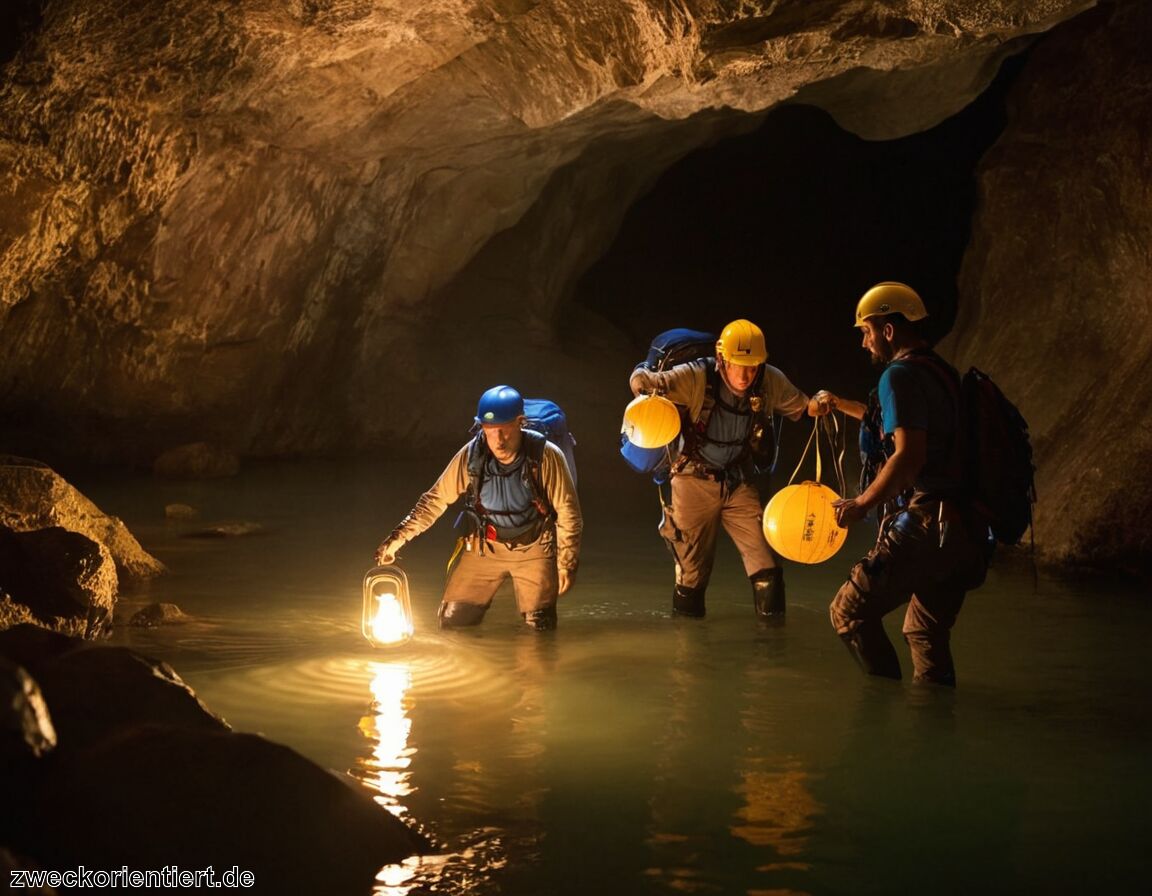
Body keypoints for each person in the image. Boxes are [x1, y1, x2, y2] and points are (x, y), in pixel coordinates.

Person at [816, 282, 988, 686]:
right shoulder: (941, 372)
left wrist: (860, 504)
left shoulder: (899, 376)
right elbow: (889, 425)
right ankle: (930, 731)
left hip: (928, 524)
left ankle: (883, 718)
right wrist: (841, 405)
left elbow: (907, 456)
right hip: (964, 531)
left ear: (888, 330)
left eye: (866, 331)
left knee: (848, 612)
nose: (864, 342)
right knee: (925, 632)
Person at [628, 319, 826, 620]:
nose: (746, 375)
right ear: (721, 360)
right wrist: (642, 386)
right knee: (691, 574)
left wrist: (820, 403)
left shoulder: (768, 380)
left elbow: (803, 406)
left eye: (753, 366)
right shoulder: (696, 376)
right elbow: (644, 382)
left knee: (767, 564)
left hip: (737, 480)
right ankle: (690, 645)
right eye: (738, 365)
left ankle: (773, 644)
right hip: (692, 478)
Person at [374, 385, 581, 631]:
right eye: (490, 431)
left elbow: (569, 513)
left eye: (505, 430)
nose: (499, 440)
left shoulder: (546, 456)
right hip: (485, 546)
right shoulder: (471, 455)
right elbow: (434, 500)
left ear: (520, 423)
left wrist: (566, 563)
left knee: (539, 630)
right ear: (481, 427)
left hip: (534, 546)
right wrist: (397, 539)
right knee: (453, 623)